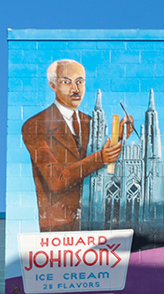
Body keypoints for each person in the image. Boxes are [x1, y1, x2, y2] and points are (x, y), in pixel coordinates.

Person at [21, 59, 130, 232]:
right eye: (66, 82)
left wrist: (120, 137)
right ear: (52, 85)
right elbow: (56, 180)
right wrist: (101, 158)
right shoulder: (36, 125)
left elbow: (107, 171)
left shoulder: (92, 122)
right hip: (60, 233)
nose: (75, 89)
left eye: (80, 82)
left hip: (97, 227)